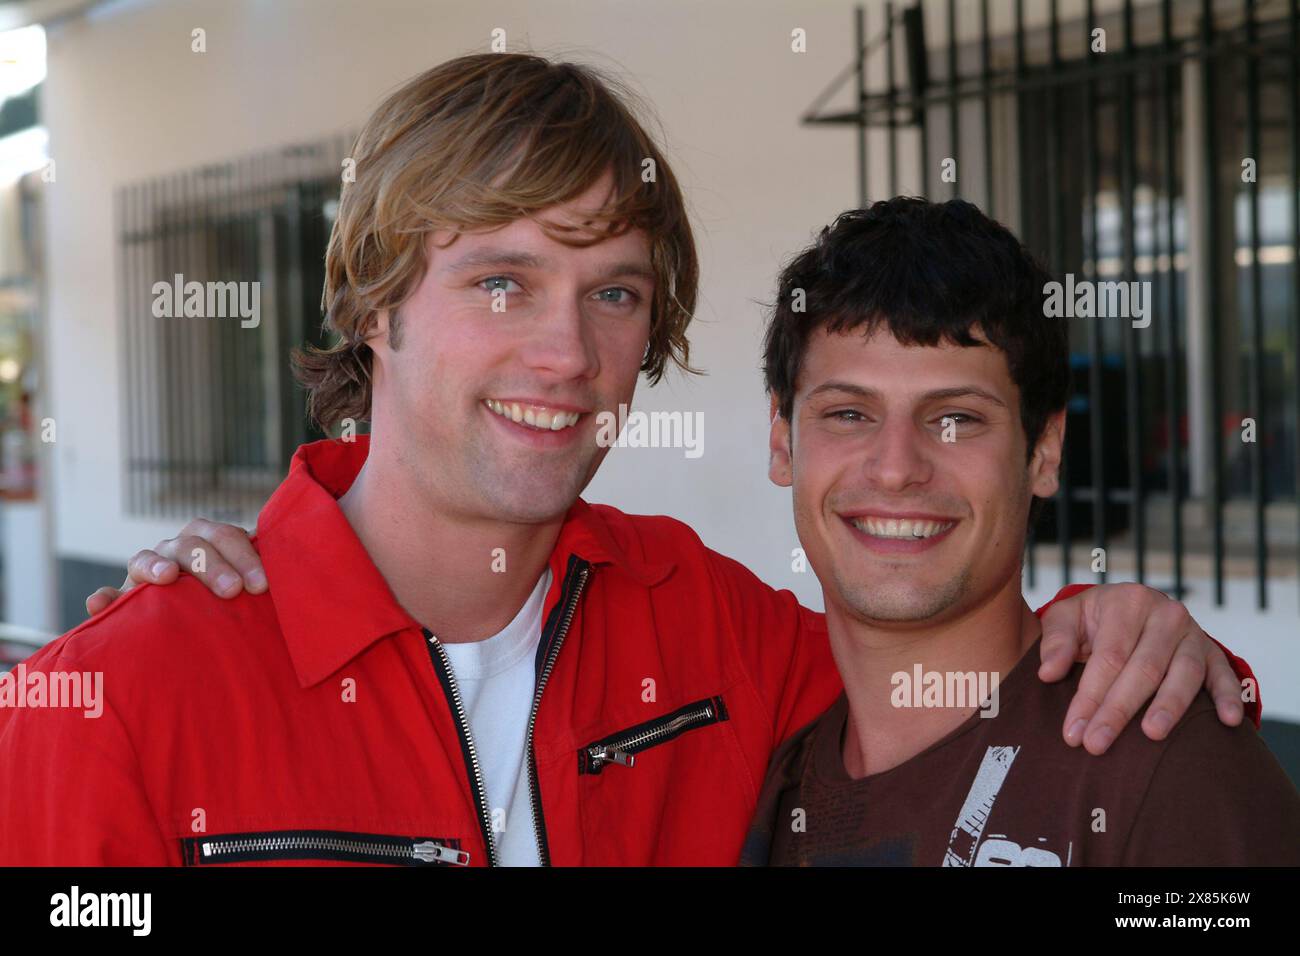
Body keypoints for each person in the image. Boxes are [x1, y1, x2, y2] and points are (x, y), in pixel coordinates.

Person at [0, 54, 1254, 868]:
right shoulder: (115, 699)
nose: (567, 352)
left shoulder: (712, 628)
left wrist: (1125, 627)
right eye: (502, 281)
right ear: (373, 308)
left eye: (613, 293)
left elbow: (932, 644)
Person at [740, 198, 1298, 866]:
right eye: (850, 413)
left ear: (1044, 452)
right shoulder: (758, 780)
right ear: (782, 442)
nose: (895, 469)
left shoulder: (1162, 771)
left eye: (957, 418)